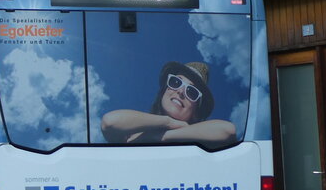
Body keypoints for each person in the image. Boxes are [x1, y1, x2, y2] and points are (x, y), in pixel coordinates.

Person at [100, 61, 237, 147]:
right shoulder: (132, 129)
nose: (181, 92)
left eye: (192, 92)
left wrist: (160, 136)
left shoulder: (202, 141)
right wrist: (167, 122)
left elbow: (227, 130)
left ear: (196, 113)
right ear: (164, 92)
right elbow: (110, 121)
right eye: (176, 83)